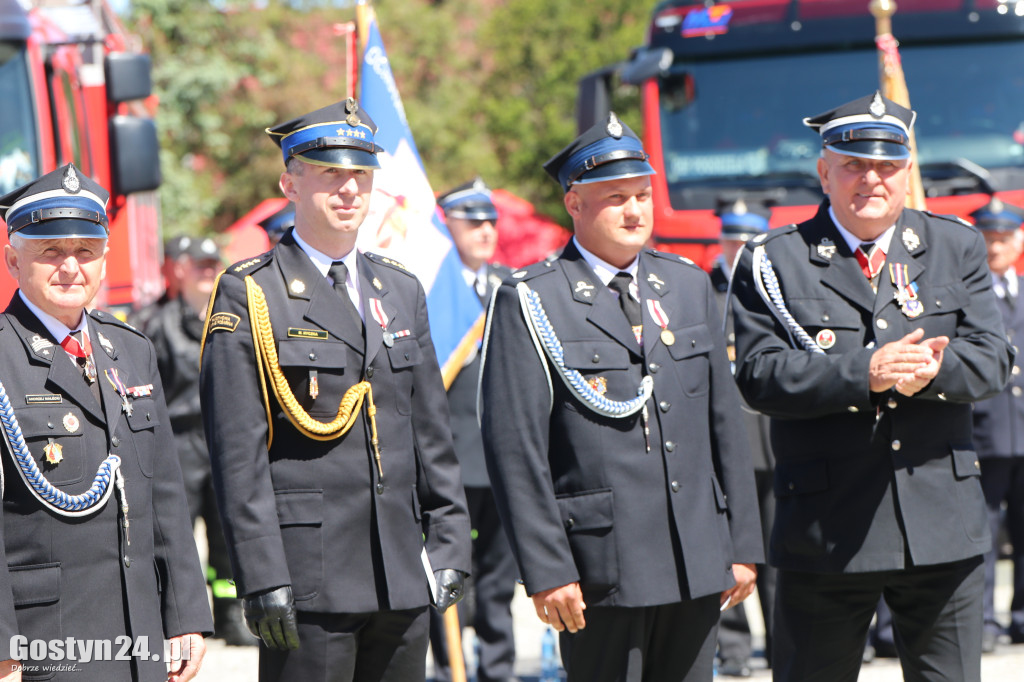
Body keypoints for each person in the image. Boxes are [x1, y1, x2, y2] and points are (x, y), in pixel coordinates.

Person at [729, 91, 1014, 682]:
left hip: (941, 526)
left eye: (887, 166)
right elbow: (758, 376)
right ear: (824, 172)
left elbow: (995, 360)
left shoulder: (954, 245)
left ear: (906, 173)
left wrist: (936, 371)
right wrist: (863, 373)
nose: (871, 180)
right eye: (854, 165)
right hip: (826, 530)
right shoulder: (774, 259)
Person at [480, 112, 764, 681]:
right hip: (600, 568)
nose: (635, 212)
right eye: (616, 198)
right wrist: (547, 569)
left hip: (694, 556)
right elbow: (517, 450)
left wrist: (740, 543)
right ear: (575, 204)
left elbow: (723, 425)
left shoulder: (685, 284)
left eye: (642, 194)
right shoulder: (533, 298)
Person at [199, 99, 472, 682]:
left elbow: (432, 433)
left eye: (361, 175)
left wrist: (449, 539)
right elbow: (237, 453)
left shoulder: (399, 289)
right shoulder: (251, 293)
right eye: (329, 173)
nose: (349, 189)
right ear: (289, 182)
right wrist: (261, 572)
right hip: (309, 578)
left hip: (400, 569)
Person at [0, 163, 213, 681]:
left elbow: (163, 488)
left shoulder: (131, 352)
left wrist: (184, 612)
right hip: (46, 642)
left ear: (103, 259)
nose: (70, 266)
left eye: (85, 251)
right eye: (50, 251)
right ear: (13, 258)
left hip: (137, 635)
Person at [133, 236, 253, 647]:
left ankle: (232, 619)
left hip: (221, 441)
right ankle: (176, 619)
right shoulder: (152, 322)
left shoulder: (231, 316)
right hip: (178, 443)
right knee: (175, 535)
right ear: (179, 269)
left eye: (212, 264)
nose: (207, 272)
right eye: (199, 265)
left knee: (227, 537)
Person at [427, 178, 517, 682]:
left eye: (491, 220)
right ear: (447, 225)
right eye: (473, 221)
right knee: (452, 572)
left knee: (501, 576)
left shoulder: (511, 285)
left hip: (500, 457)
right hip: (453, 457)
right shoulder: (432, 290)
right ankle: (450, 669)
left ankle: (498, 668)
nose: (486, 230)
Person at [711, 198, 776, 677]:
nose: (737, 247)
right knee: (728, 552)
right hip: (724, 446)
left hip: (772, 443)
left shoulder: (773, 289)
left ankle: (781, 645)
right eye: (731, 237)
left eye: (746, 238)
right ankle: (733, 651)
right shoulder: (700, 290)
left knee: (776, 554)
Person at [968, 197, 1024, 652]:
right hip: (984, 434)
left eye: (1003, 238)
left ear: (1019, 240)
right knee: (982, 536)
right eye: (987, 239)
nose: (995, 247)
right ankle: (983, 623)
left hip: (1023, 433)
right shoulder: (968, 295)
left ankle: (1021, 619)